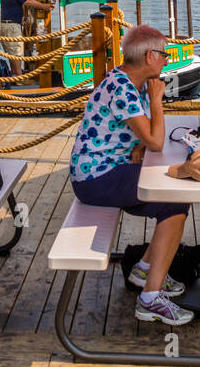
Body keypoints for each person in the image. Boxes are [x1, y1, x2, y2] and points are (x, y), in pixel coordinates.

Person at [69, 24, 193, 326]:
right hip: (96, 179)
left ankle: (144, 270)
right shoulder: (124, 89)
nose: (166, 60)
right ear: (150, 56)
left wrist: (138, 144)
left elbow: (142, 138)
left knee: (175, 201)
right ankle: (149, 298)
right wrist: (156, 101)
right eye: (164, 54)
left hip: (106, 170)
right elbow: (156, 142)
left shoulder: (125, 80)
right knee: (175, 202)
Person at [0, 0, 53, 78]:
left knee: (11, 52)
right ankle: (19, 78)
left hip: (6, 23)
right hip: (11, 26)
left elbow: (11, 6)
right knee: (17, 52)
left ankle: (15, 74)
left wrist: (21, 20)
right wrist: (44, 6)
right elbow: (27, 1)